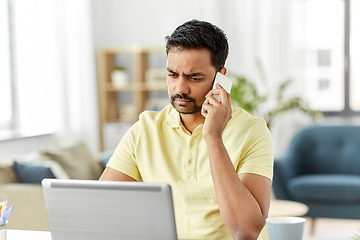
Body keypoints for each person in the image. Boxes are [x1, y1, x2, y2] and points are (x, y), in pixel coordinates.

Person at [100, 19, 273, 240]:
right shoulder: (145, 129)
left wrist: (213, 137)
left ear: (220, 77)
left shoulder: (252, 131)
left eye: (194, 77)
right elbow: (102, 208)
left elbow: (246, 231)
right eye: (172, 75)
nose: (180, 88)